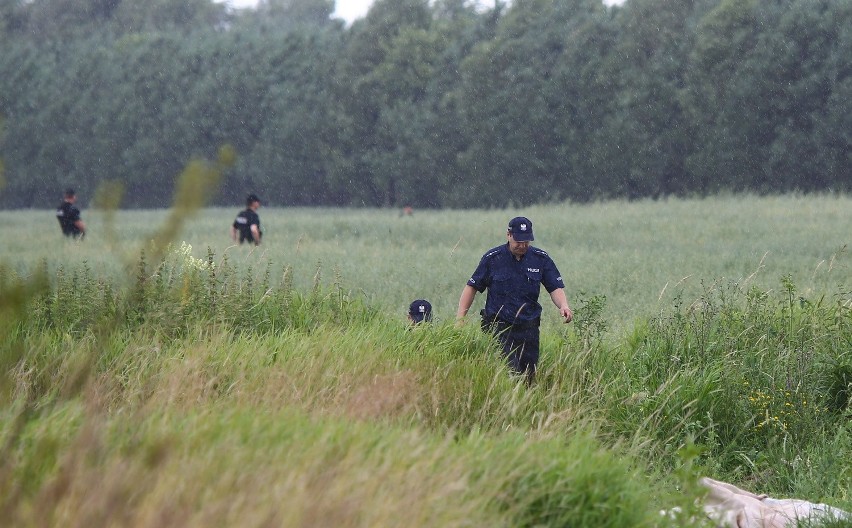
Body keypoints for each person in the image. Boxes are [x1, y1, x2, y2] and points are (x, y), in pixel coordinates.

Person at [456, 216, 572, 383]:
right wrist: (460, 319)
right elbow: (471, 288)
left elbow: (555, 287)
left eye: (526, 241)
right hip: (499, 327)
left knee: (529, 378)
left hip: (529, 328)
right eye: (518, 240)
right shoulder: (493, 258)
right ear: (508, 235)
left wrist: (564, 305)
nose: (522, 245)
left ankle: (525, 407)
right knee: (510, 372)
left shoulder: (540, 259)